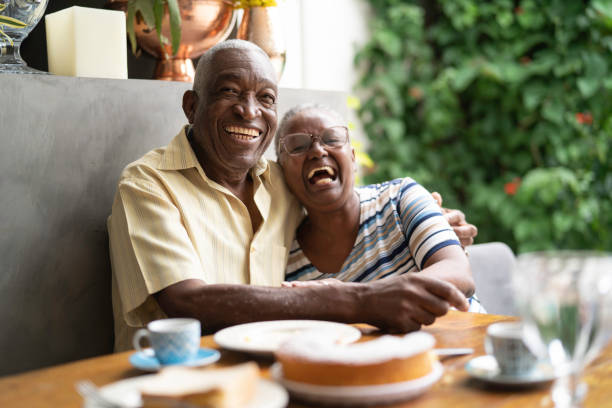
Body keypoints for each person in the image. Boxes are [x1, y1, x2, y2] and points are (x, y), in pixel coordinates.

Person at [108, 40, 477, 351]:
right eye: (229, 91)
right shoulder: (147, 184)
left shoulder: (279, 184)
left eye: (265, 98)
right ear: (191, 106)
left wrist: (427, 216)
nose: (249, 110)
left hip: (267, 379)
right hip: (168, 384)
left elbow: (338, 197)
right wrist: (356, 299)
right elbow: (185, 303)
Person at [275, 104, 484, 313]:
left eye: (332, 139)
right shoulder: (287, 261)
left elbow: (459, 274)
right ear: (282, 172)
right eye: (298, 146)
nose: (318, 151)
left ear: (353, 158)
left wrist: (354, 297)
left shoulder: (400, 197)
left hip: (466, 340)